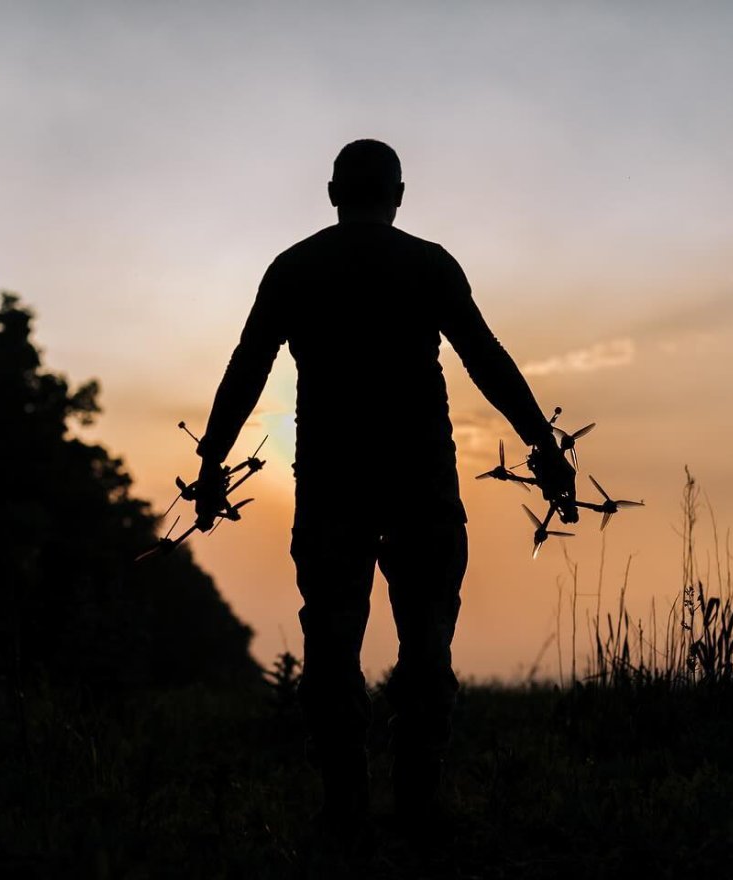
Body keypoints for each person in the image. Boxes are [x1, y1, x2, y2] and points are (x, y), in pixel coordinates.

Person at [193, 139, 575, 832]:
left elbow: (246, 369)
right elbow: (485, 358)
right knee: (427, 647)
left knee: (332, 646)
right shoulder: (428, 265)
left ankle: (345, 814)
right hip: (421, 484)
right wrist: (542, 445)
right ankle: (418, 811)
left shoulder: (294, 269)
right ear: (398, 195)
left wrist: (211, 461)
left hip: (331, 486)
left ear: (334, 192)